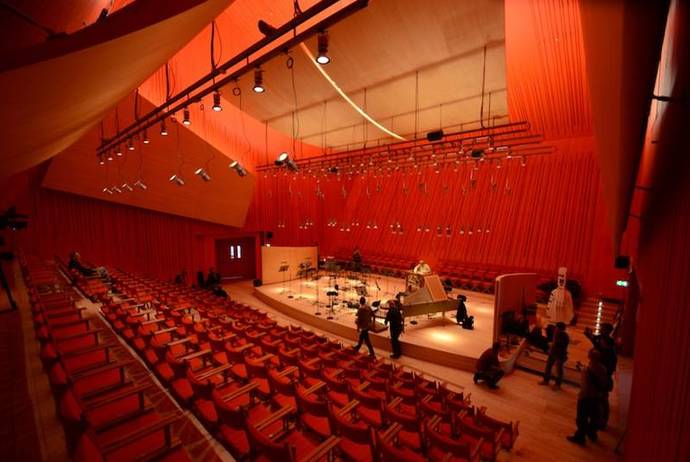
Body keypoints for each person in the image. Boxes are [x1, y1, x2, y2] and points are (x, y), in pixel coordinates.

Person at [567, 349, 608, 446]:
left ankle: (580, 437)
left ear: (590, 357)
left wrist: (581, 397)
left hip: (586, 398)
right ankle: (592, 433)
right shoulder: (603, 369)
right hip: (597, 397)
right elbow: (604, 383)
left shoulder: (587, 370)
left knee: (582, 418)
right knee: (595, 417)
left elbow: (584, 386)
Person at [584, 323, 617, 429]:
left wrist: (602, 378)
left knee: (603, 400)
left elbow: (609, 369)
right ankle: (596, 419)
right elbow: (596, 341)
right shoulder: (603, 341)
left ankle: (603, 422)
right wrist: (589, 335)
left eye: (603, 329)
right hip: (598, 374)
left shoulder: (610, 353)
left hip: (603, 377)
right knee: (596, 399)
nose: (601, 330)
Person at [539, 322, 569, 390]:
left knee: (559, 370)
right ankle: (546, 380)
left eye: (557, 328)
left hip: (560, 354)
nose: (556, 329)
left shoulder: (564, 336)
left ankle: (558, 384)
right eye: (556, 328)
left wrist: (553, 344)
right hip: (553, 353)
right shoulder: (556, 333)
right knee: (548, 367)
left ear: (561, 329)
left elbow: (561, 345)